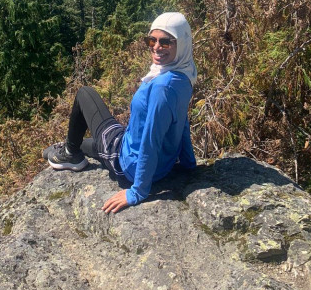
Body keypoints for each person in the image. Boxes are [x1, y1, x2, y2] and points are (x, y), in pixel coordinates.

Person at [43, 12, 197, 213]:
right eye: (151, 40)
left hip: (127, 161)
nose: (156, 47)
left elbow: (151, 140)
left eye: (166, 42)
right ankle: (70, 148)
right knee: (86, 144)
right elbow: (181, 119)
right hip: (161, 163)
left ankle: (71, 154)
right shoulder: (184, 76)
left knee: (85, 93)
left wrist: (137, 191)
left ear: (181, 43)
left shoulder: (163, 87)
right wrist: (188, 163)